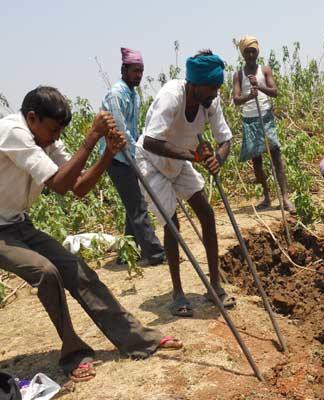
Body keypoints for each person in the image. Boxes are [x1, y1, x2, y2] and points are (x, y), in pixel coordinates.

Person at [0, 87, 182, 382]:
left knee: (77, 270)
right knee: (45, 271)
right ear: (32, 118)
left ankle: (137, 339)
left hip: (17, 223)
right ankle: (73, 353)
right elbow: (58, 185)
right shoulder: (13, 133)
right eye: (53, 129)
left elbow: (78, 187)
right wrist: (91, 138)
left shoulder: (44, 138)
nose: (57, 136)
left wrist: (108, 153)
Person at [136, 50, 236, 317]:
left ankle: (215, 286)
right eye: (211, 88)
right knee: (173, 223)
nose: (215, 93)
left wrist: (218, 158)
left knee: (207, 213)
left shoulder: (211, 102)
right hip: (151, 163)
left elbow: (225, 139)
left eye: (217, 87)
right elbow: (151, 141)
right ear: (194, 84)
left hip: (179, 161)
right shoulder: (172, 96)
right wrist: (192, 155)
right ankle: (178, 293)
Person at [100, 47, 165, 266]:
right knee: (137, 205)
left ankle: (127, 252)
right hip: (117, 157)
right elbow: (120, 130)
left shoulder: (133, 94)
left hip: (128, 154)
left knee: (132, 204)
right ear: (124, 69)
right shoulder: (117, 94)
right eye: (135, 71)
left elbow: (134, 130)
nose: (139, 75)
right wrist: (134, 154)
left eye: (141, 71)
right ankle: (155, 253)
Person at [232, 35, 295, 212]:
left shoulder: (264, 70)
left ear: (257, 52)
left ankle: (284, 198)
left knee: (276, 155)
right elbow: (236, 99)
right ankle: (266, 197)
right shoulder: (238, 75)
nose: (251, 55)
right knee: (257, 162)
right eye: (247, 52)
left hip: (265, 116)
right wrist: (248, 96)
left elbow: (274, 91)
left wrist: (258, 88)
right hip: (250, 119)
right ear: (243, 55)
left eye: (253, 51)